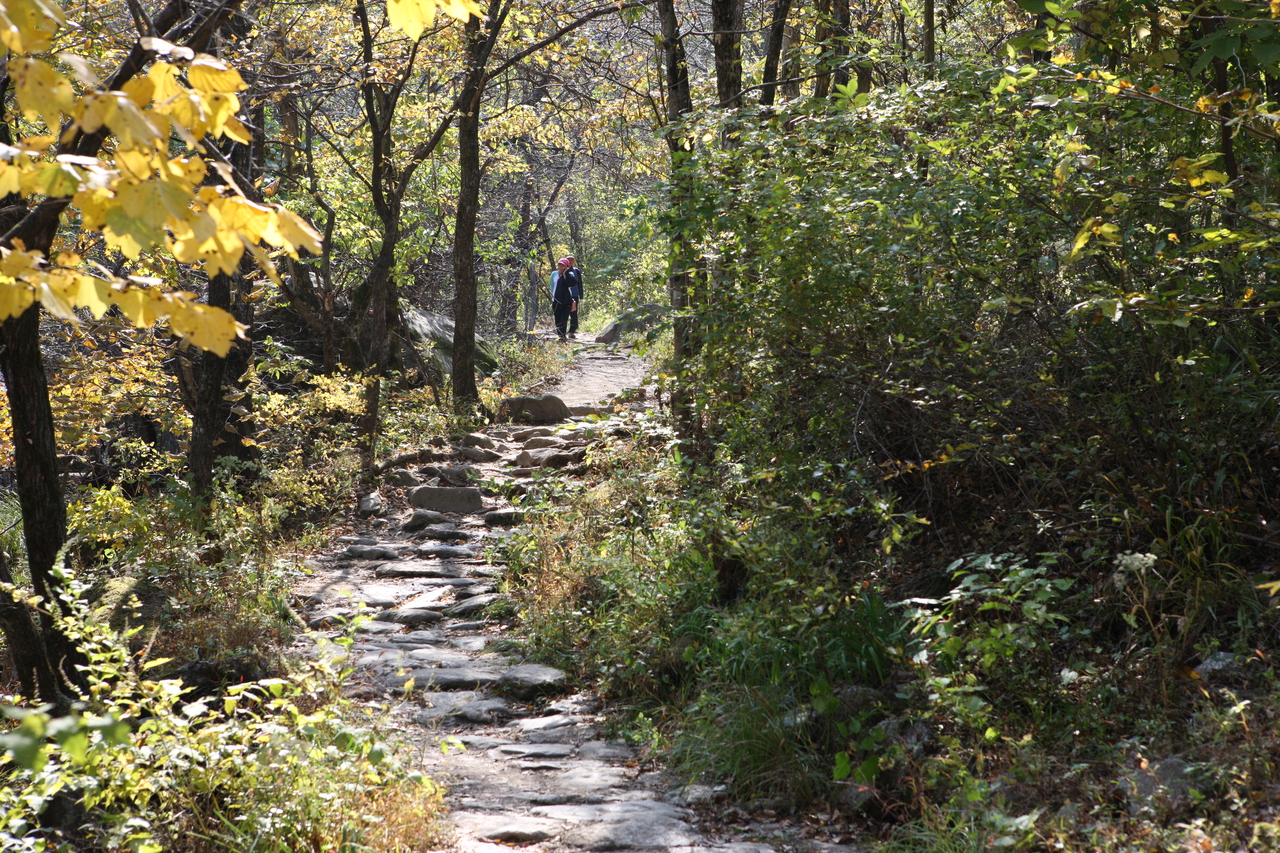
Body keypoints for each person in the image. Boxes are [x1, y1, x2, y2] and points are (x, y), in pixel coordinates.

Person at [551, 257, 574, 342]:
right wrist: (553, 297)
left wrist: (564, 274)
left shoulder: (570, 274)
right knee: (557, 320)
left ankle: (563, 337)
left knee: (563, 319)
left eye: (563, 265)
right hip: (556, 300)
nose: (561, 266)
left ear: (567, 266)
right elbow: (552, 286)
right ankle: (560, 336)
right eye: (559, 264)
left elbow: (571, 283)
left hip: (566, 301)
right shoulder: (554, 274)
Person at [564, 255, 583, 338]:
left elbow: (580, 284)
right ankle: (562, 329)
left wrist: (581, 297)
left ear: (574, 261)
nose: (570, 261)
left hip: (574, 294)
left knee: (573, 312)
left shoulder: (576, 271)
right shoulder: (562, 270)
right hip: (564, 295)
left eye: (571, 260)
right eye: (568, 260)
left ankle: (572, 330)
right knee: (564, 312)